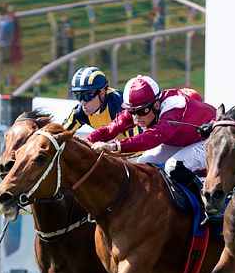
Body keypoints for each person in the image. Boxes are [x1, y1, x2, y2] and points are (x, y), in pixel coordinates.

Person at [86, 75, 215, 188]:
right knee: (143, 164)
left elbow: (154, 137)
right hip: (184, 140)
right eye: (132, 112)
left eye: (141, 112)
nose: (137, 118)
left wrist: (115, 146)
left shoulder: (174, 106)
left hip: (211, 140)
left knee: (174, 166)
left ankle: (210, 206)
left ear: (157, 105)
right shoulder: (142, 107)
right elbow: (111, 128)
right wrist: (85, 141)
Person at [61, 66, 145, 158]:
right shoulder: (80, 111)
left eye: (87, 96)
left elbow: (138, 147)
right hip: (119, 150)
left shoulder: (119, 105)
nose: (83, 102)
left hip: (147, 150)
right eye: (78, 96)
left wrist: (110, 150)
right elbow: (59, 135)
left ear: (102, 92)